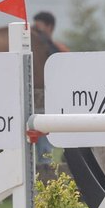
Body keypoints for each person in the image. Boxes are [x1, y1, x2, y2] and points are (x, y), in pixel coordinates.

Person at [31, 11, 68, 167]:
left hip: (48, 108)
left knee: (45, 152)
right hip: (32, 106)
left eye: (39, 28)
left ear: (49, 27)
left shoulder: (57, 49)